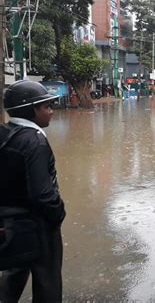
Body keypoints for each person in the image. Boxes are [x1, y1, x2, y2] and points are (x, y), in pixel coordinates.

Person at [0, 80, 66, 302]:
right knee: (47, 280)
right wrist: (58, 213)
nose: (51, 111)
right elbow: (42, 193)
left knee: (14, 272)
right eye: (46, 106)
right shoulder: (34, 141)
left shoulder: (6, 133)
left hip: (10, 223)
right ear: (32, 110)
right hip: (38, 225)